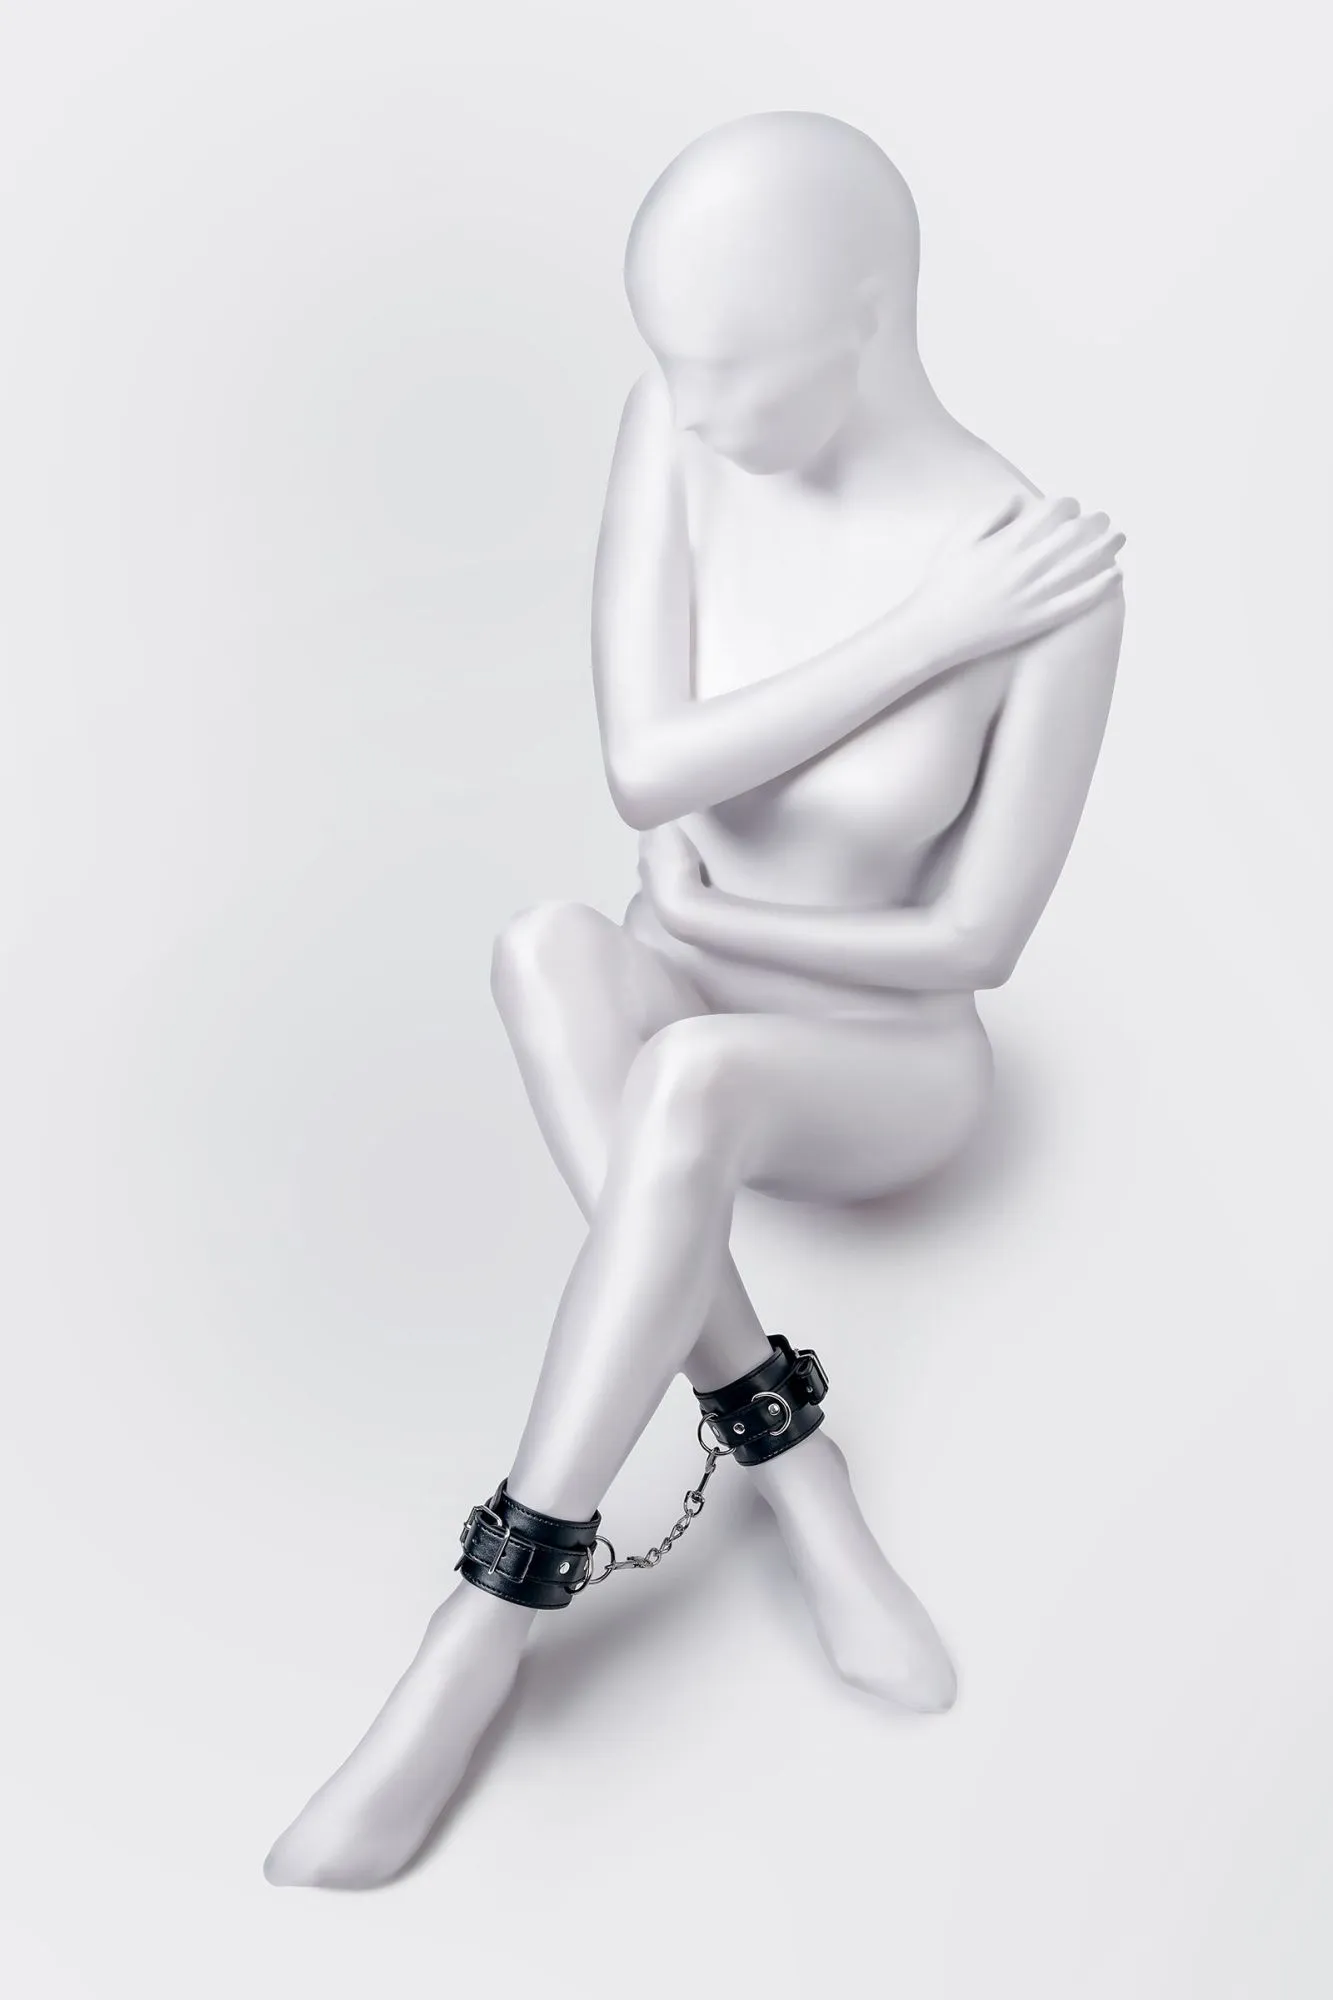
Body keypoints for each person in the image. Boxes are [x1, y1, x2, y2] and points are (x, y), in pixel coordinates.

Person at [264, 110, 1125, 1889]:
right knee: (543, 946)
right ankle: (803, 1481)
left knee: (696, 1079)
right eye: (672, 357)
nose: (695, 403)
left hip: (888, 1062)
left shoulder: (1039, 575)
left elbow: (977, 944)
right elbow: (646, 769)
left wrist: (729, 919)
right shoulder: (674, 428)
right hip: (697, 983)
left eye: (734, 364)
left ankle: (490, 1615)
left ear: (865, 318)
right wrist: (920, 637)